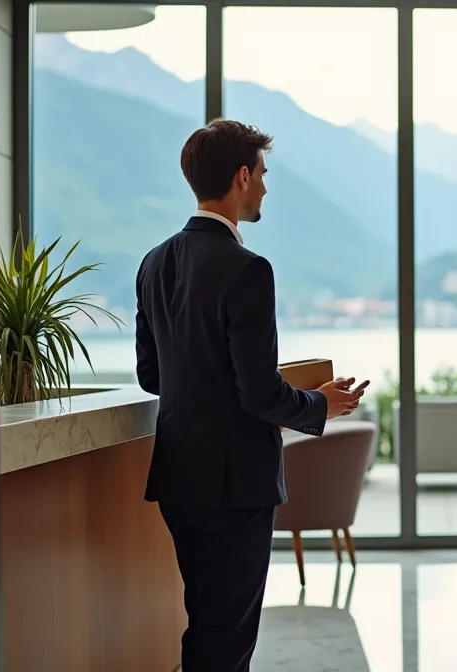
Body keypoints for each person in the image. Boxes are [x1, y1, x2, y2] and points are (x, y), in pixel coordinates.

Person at [135, 119, 367, 671]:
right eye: (262, 174)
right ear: (242, 176)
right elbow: (260, 394)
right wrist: (321, 405)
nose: (264, 186)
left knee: (207, 627)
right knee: (228, 638)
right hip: (235, 486)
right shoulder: (248, 269)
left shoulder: (153, 263)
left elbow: (152, 375)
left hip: (178, 479)